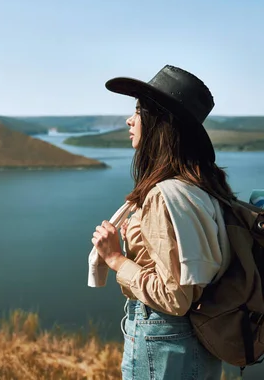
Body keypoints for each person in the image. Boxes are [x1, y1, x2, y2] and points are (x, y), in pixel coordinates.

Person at [91, 64, 236, 380]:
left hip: (165, 339)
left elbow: (175, 298)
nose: (130, 120)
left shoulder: (163, 194)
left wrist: (115, 258)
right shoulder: (200, 185)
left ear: (160, 123)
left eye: (138, 111)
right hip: (197, 339)